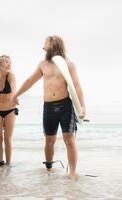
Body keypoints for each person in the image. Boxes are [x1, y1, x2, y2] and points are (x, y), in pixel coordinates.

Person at [12, 35, 86, 180]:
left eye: (45, 44)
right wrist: (16, 95)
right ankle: (49, 169)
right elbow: (30, 80)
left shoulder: (68, 64)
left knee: (69, 139)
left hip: (65, 105)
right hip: (49, 107)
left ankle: (72, 173)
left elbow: (76, 85)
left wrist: (82, 106)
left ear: (53, 44)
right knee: (49, 141)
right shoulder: (43, 64)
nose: (43, 47)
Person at [0, 55, 18, 167]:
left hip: (10, 109)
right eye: (6, 62)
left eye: (10, 62)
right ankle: (0, 162)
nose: (9, 64)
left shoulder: (11, 76)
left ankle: (9, 164)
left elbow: (13, 89)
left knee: (7, 137)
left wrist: (15, 97)